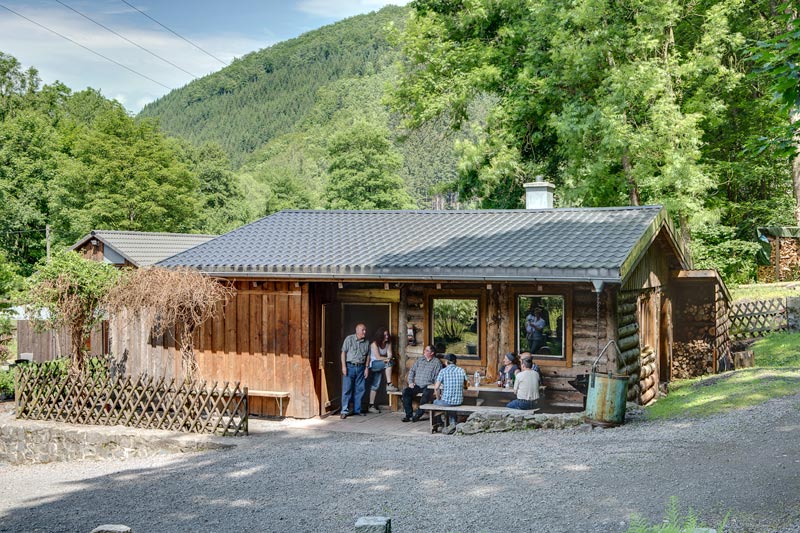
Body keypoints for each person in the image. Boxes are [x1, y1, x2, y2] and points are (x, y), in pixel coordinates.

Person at [401, 345, 442, 423]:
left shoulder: (436, 362)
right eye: (424, 350)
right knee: (405, 392)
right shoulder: (420, 360)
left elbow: (438, 376)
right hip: (417, 385)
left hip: (429, 386)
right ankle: (408, 415)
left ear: (432, 353)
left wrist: (435, 388)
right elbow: (412, 371)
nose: (424, 352)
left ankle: (417, 415)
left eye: (426, 350)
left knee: (425, 396)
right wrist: (410, 382)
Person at [340, 323, 370, 419]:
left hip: (361, 367)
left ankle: (357, 410)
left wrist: (366, 368)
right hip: (350, 367)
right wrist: (344, 367)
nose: (364, 332)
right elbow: (343, 353)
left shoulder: (367, 342)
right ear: (357, 331)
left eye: (365, 330)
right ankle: (344, 410)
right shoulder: (349, 339)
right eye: (363, 330)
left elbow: (368, 356)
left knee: (360, 389)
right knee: (347, 389)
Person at [433, 353, 468, 433]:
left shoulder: (443, 371)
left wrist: (438, 398)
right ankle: (452, 423)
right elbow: (467, 385)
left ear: (446, 362)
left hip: (447, 402)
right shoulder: (461, 370)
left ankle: (441, 423)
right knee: (451, 404)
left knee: (436, 402)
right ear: (455, 362)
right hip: (459, 401)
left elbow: (436, 387)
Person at [367, 327, 397, 414]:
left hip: (381, 364)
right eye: (385, 335)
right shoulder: (374, 343)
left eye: (387, 334)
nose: (387, 336)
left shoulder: (388, 343)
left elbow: (390, 354)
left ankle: (371, 405)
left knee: (375, 385)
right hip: (373, 364)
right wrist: (387, 359)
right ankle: (389, 384)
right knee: (389, 363)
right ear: (380, 336)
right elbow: (378, 357)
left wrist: (388, 358)